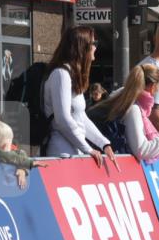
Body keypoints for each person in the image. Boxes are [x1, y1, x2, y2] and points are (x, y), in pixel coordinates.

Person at [42, 26, 117, 165]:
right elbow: (62, 119)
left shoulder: (71, 75)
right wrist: (88, 149)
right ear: (82, 47)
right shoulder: (61, 74)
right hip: (62, 153)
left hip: (75, 151)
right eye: (93, 43)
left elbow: (81, 117)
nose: (95, 47)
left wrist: (104, 143)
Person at [91, 64, 159, 163]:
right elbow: (142, 150)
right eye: (158, 90)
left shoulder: (120, 96)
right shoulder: (133, 108)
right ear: (153, 87)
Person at [0, 120, 42, 189]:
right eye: (10, 145)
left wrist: (22, 168)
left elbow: (19, 153)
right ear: (5, 146)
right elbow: (12, 155)